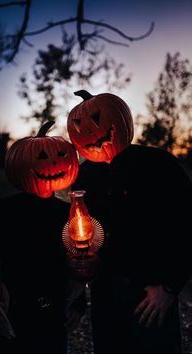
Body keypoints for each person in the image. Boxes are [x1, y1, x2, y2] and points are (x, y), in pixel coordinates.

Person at [68, 90, 192, 354]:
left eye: (97, 118)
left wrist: (169, 286)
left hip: (150, 292)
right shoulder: (83, 178)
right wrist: (80, 283)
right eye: (78, 125)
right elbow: (81, 234)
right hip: (105, 293)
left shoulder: (158, 166)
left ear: (121, 119)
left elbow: (185, 226)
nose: (88, 130)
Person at [0, 121, 84, 354]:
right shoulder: (4, 212)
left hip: (53, 316)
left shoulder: (67, 214)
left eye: (60, 155)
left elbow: (76, 265)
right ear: (20, 165)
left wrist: (77, 304)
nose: (51, 163)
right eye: (41, 156)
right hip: (10, 318)